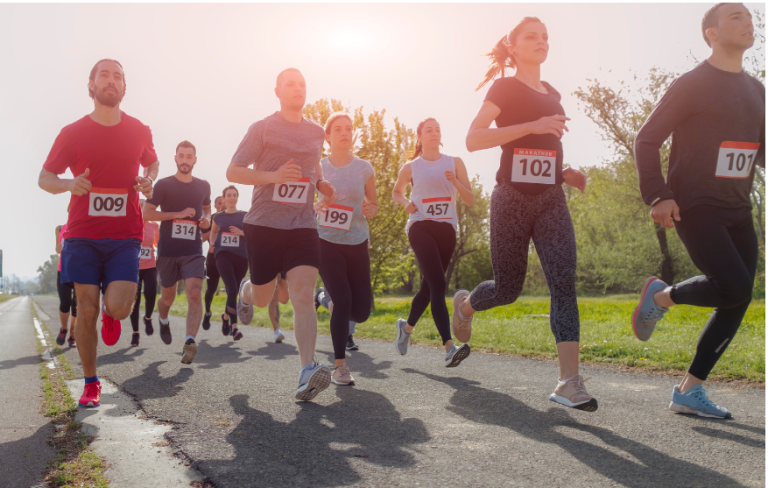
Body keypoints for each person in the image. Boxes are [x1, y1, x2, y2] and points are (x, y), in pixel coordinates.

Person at [453, 18, 596, 412]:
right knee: (507, 289)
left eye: (546, 36)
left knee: (563, 281)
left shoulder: (554, 93)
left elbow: (544, 151)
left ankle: (569, 381)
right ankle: (465, 306)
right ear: (512, 47)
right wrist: (531, 124)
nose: (541, 41)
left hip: (551, 198)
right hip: (511, 198)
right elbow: (474, 137)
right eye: (531, 36)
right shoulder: (504, 88)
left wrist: (565, 173)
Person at [633, 3, 763, 419]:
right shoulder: (692, 84)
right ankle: (663, 296)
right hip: (695, 203)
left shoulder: (757, 90)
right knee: (736, 286)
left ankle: (689, 390)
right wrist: (658, 194)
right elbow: (647, 139)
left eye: (750, 16)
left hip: (738, 206)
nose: (749, 22)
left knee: (736, 296)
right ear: (711, 33)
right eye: (736, 17)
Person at [38, 58, 159, 407]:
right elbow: (44, 178)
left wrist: (148, 178)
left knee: (119, 307)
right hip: (82, 235)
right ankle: (91, 383)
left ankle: (113, 311)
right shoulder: (72, 133)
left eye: (117, 76)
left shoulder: (139, 129)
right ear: (91, 86)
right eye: (103, 75)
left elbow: (152, 160)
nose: (111, 80)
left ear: (124, 87)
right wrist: (68, 183)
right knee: (85, 310)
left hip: (125, 235)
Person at [227, 68, 337, 401]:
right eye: (290, 84)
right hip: (263, 224)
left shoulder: (317, 132)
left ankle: (307, 371)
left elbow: (313, 162)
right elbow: (234, 170)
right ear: (277, 91)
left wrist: (319, 183)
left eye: (302, 84)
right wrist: (274, 175)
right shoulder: (262, 128)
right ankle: (244, 294)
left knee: (304, 293)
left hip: (302, 224)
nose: (297, 89)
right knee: (263, 298)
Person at [392, 118, 475, 367]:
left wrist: (455, 180)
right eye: (429, 130)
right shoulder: (411, 167)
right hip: (419, 225)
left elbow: (469, 199)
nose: (434, 133)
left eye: (438, 129)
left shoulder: (454, 162)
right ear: (420, 136)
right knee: (439, 283)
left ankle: (405, 329)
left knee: (429, 288)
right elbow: (397, 191)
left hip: (446, 229)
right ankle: (449, 347)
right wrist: (406, 203)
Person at [313, 112, 379, 385]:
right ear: (327, 136)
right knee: (343, 301)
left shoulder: (365, 168)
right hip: (326, 240)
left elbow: (373, 205)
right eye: (338, 129)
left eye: (348, 129)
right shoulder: (318, 167)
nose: (344, 133)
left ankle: (323, 298)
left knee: (361, 311)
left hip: (357, 241)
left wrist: (369, 208)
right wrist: (316, 206)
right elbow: (307, 202)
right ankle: (340, 366)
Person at [144, 140, 211, 364]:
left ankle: (190, 341)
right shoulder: (163, 185)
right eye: (181, 156)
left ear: (195, 160)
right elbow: (146, 213)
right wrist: (177, 214)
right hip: (168, 251)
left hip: (192, 249)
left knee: (194, 291)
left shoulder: (203, 186)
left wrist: (206, 220)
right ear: (175, 158)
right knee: (168, 297)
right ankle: (163, 318)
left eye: (189, 156)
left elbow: (207, 208)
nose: (185, 160)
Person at [208, 186, 248, 341]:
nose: (231, 198)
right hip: (222, 254)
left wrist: (242, 233)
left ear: (237, 197)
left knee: (234, 291)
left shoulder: (245, 215)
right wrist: (212, 243)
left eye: (234, 195)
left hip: (241, 257)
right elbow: (213, 231)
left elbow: (254, 234)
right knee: (231, 288)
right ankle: (234, 327)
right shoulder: (218, 217)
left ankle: (225, 316)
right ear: (224, 199)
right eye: (228, 195)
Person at [129, 199, 159, 347]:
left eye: (144, 205)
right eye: (139, 205)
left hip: (151, 266)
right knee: (135, 301)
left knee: (151, 293)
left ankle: (147, 318)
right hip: (134, 267)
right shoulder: (130, 224)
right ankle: (135, 333)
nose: (141, 208)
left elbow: (158, 244)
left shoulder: (154, 225)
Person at [202, 195, 225, 331]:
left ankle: (228, 317)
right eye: (219, 203)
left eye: (224, 203)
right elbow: (203, 237)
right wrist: (213, 230)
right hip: (213, 256)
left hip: (229, 256)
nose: (222, 205)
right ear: (215, 206)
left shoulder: (232, 217)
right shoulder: (210, 219)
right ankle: (207, 313)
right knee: (211, 288)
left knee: (232, 287)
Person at [55, 218, 77, 348]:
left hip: (79, 270)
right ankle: (64, 328)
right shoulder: (59, 228)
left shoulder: (83, 227)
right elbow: (57, 250)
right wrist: (59, 246)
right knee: (65, 302)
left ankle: (73, 334)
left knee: (76, 304)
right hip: (63, 269)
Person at [268, 276, 289, 343]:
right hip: (271, 266)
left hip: (284, 266)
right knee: (274, 295)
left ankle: (267, 296)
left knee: (284, 299)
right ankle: (276, 330)